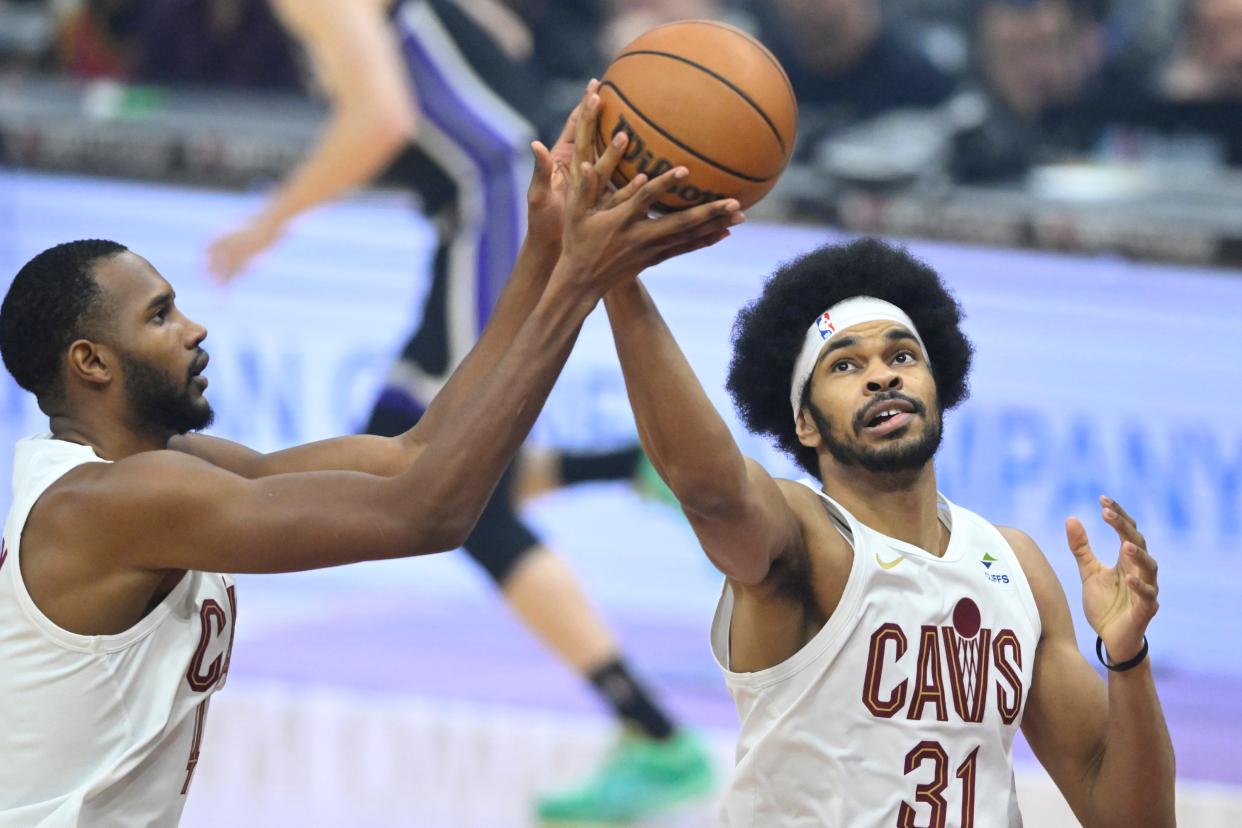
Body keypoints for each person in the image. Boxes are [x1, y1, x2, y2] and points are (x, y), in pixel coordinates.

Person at [0, 90, 741, 826]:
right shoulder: (109, 502)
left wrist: (545, 251)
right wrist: (578, 286)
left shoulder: (171, 464)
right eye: (160, 315)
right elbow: (425, 513)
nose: (194, 329)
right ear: (91, 363)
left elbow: (410, 454)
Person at [206, 0, 715, 819]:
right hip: (486, 208)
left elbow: (381, 118)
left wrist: (271, 222)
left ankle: (657, 737)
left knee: (443, 493)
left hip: (497, 209)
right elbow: (501, 39)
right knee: (401, 457)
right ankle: (627, 467)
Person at [601, 237, 1176, 825]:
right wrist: (619, 282)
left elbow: (1133, 820)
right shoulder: (805, 533)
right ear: (805, 422)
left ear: (937, 383)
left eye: (903, 356)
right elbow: (712, 492)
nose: (882, 378)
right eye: (845, 365)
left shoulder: (1015, 564)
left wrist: (1127, 657)